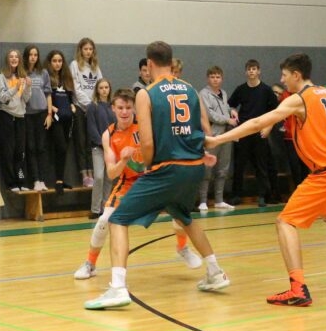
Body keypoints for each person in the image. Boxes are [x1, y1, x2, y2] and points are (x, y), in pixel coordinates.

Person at [209, 53, 326, 306]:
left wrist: (217, 140)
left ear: (296, 75)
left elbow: (257, 122)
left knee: (285, 221)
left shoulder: (299, 99)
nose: (282, 79)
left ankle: (298, 288)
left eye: (285, 75)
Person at [84, 41, 230, 310]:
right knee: (185, 217)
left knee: (118, 218)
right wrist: (200, 154)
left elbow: (148, 142)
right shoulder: (191, 89)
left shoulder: (146, 93)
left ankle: (117, 288)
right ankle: (215, 272)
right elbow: (204, 129)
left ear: (149, 64)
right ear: (171, 63)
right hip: (193, 166)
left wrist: (149, 167)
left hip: (167, 168)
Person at [75, 88, 201, 280]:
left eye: (128, 107)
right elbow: (111, 173)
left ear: (134, 108)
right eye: (120, 108)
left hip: (155, 178)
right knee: (104, 220)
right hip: (128, 182)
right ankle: (90, 264)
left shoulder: (145, 126)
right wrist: (123, 160)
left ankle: (182, 247)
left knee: (179, 213)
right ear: (113, 108)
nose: (124, 112)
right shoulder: (108, 135)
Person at [228, 59, 278, 206]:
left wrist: (268, 127)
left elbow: (276, 112)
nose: (251, 71)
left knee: (261, 165)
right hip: (243, 131)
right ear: (246, 72)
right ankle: (236, 195)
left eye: (254, 69)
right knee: (239, 165)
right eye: (249, 69)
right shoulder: (241, 89)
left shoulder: (266, 90)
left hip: (260, 131)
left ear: (259, 71)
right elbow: (230, 105)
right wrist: (232, 111)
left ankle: (262, 195)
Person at [198, 66, 237, 211]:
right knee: (207, 167)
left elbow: (224, 108)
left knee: (223, 168)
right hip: (212, 134)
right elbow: (209, 114)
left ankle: (219, 200)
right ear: (208, 78)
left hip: (226, 134)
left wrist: (231, 110)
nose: (215, 79)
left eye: (218, 77)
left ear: (222, 78)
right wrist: (227, 120)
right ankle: (203, 201)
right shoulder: (204, 93)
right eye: (212, 77)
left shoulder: (224, 93)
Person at [70, 37, 103, 188]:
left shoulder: (96, 67)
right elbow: (76, 88)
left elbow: (100, 86)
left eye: (90, 49)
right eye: (85, 49)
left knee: (92, 143)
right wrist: (88, 104)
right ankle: (85, 176)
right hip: (80, 108)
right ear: (81, 50)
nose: (88, 52)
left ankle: (93, 174)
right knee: (81, 142)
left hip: (93, 109)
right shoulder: (75, 65)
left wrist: (95, 105)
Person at [0, 49, 31, 192]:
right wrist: (15, 88)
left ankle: (21, 180)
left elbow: (26, 99)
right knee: (8, 151)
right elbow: (2, 98)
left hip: (20, 116)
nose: (14, 59)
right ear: (7, 59)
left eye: (16, 57)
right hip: (6, 115)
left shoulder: (22, 76)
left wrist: (28, 87)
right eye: (11, 56)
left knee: (20, 151)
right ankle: (11, 183)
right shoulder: (1, 77)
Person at [45, 49, 75, 194]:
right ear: (50, 63)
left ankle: (60, 180)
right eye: (54, 61)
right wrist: (51, 108)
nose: (57, 64)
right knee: (60, 147)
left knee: (64, 150)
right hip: (55, 117)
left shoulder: (66, 78)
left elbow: (70, 97)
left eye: (60, 61)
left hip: (67, 117)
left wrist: (72, 106)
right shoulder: (47, 77)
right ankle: (55, 181)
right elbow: (45, 96)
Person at [22, 45, 51, 193]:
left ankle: (42, 180)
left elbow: (48, 93)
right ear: (26, 56)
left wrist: (49, 114)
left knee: (41, 147)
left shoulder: (43, 73)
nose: (33, 57)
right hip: (27, 114)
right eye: (30, 54)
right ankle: (35, 180)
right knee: (31, 147)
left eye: (35, 55)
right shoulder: (22, 73)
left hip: (41, 113)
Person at [85, 78, 116, 218]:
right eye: (101, 88)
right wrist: (102, 143)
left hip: (112, 148)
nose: (104, 90)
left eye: (106, 87)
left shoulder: (113, 106)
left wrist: (113, 144)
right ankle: (95, 209)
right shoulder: (93, 106)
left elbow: (116, 127)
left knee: (109, 178)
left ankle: (105, 208)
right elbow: (91, 127)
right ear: (97, 90)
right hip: (98, 147)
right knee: (98, 177)